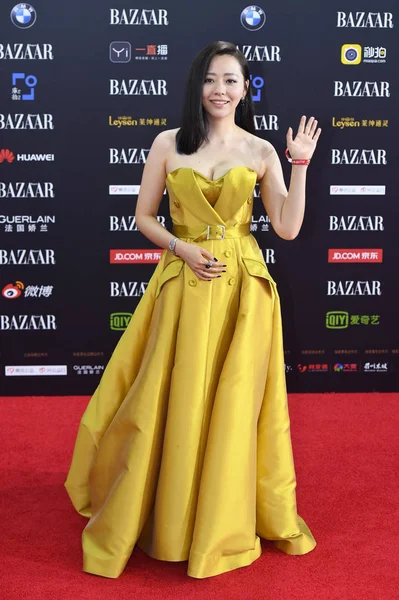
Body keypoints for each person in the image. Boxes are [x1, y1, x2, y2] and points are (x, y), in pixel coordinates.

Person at [65, 40, 321, 580]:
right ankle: (167, 510)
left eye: (230, 80)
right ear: (196, 86)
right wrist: (181, 247)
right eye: (210, 80)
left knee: (232, 406)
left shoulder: (261, 151)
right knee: (166, 396)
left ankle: (220, 522)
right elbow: (144, 218)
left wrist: (299, 165)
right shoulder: (166, 143)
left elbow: (288, 227)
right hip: (182, 283)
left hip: (241, 292)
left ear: (245, 88)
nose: (220, 90)